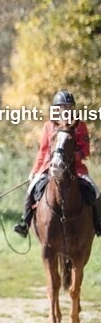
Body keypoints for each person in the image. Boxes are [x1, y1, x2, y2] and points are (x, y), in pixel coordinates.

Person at [14, 90, 101, 238]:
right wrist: (35, 171)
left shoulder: (80, 126)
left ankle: (98, 224)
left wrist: (74, 156)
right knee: (31, 188)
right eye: (62, 106)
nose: (66, 109)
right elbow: (42, 151)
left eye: (69, 106)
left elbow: (85, 150)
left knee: (95, 190)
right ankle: (25, 222)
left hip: (76, 169)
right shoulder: (49, 126)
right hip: (50, 167)